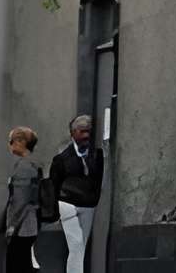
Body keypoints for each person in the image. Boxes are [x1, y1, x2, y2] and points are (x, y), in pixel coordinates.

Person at [48, 113, 104, 271]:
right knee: (77, 244)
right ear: (73, 133)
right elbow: (54, 184)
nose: (86, 135)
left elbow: (98, 180)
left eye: (88, 131)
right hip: (67, 203)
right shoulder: (61, 159)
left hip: (88, 204)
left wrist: (94, 199)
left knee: (80, 246)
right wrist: (55, 209)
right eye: (82, 131)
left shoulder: (96, 156)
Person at [1, 128, 45, 273]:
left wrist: (12, 226)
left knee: (16, 265)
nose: (9, 145)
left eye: (11, 141)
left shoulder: (23, 167)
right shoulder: (33, 163)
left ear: (21, 142)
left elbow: (21, 199)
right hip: (29, 223)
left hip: (22, 226)